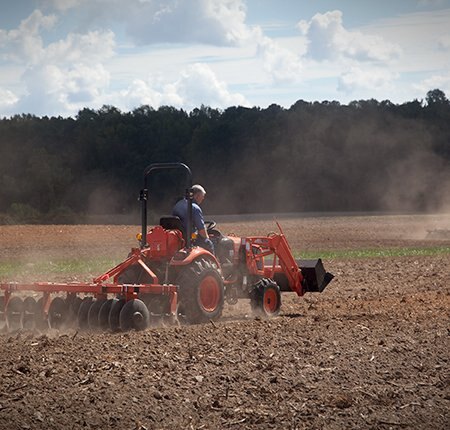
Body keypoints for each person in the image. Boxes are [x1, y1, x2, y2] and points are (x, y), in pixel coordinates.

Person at [172, 184, 214, 253]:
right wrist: (207, 238)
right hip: (191, 237)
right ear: (197, 196)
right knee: (209, 243)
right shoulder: (195, 208)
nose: (203, 199)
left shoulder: (178, 204)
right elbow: (201, 230)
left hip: (179, 237)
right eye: (202, 197)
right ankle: (213, 260)